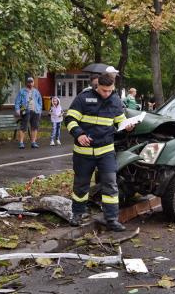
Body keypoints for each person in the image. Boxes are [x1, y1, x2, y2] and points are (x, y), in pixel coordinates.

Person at [64, 73, 134, 232]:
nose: (107, 94)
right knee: (81, 185)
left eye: (110, 90)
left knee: (110, 185)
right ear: (97, 86)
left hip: (106, 151)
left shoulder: (115, 100)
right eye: (104, 90)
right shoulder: (84, 98)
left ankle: (111, 219)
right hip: (84, 151)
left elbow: (120, 123)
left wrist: (128, 126)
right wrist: (79, 134)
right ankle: (77, 214)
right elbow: (69, 119)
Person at [14, 76, 42, 149]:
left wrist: (39, 109)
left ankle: (33, 142)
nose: (30, 83)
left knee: (34, 127)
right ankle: (21, 143)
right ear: (26, 83)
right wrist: (17, 109)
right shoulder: (22, 91)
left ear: (33, 82)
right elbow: (17, 101)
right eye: (29, 82)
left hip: (35, 111)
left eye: (31, 82)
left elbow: (40, 101)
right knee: (23, 127)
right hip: (25, 111)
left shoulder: (36, 91)